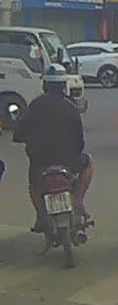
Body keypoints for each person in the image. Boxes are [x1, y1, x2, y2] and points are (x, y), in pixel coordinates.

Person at [14, 67, 93, 233]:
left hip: (40, 161)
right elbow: (79, 139)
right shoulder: (70, 106)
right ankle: (78, 201)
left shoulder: (34, 105)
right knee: (88, 164)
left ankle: (41, 216)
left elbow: (20, 132)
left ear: (44, 85)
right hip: (69, 160)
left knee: (34, 186)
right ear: (63, 85)